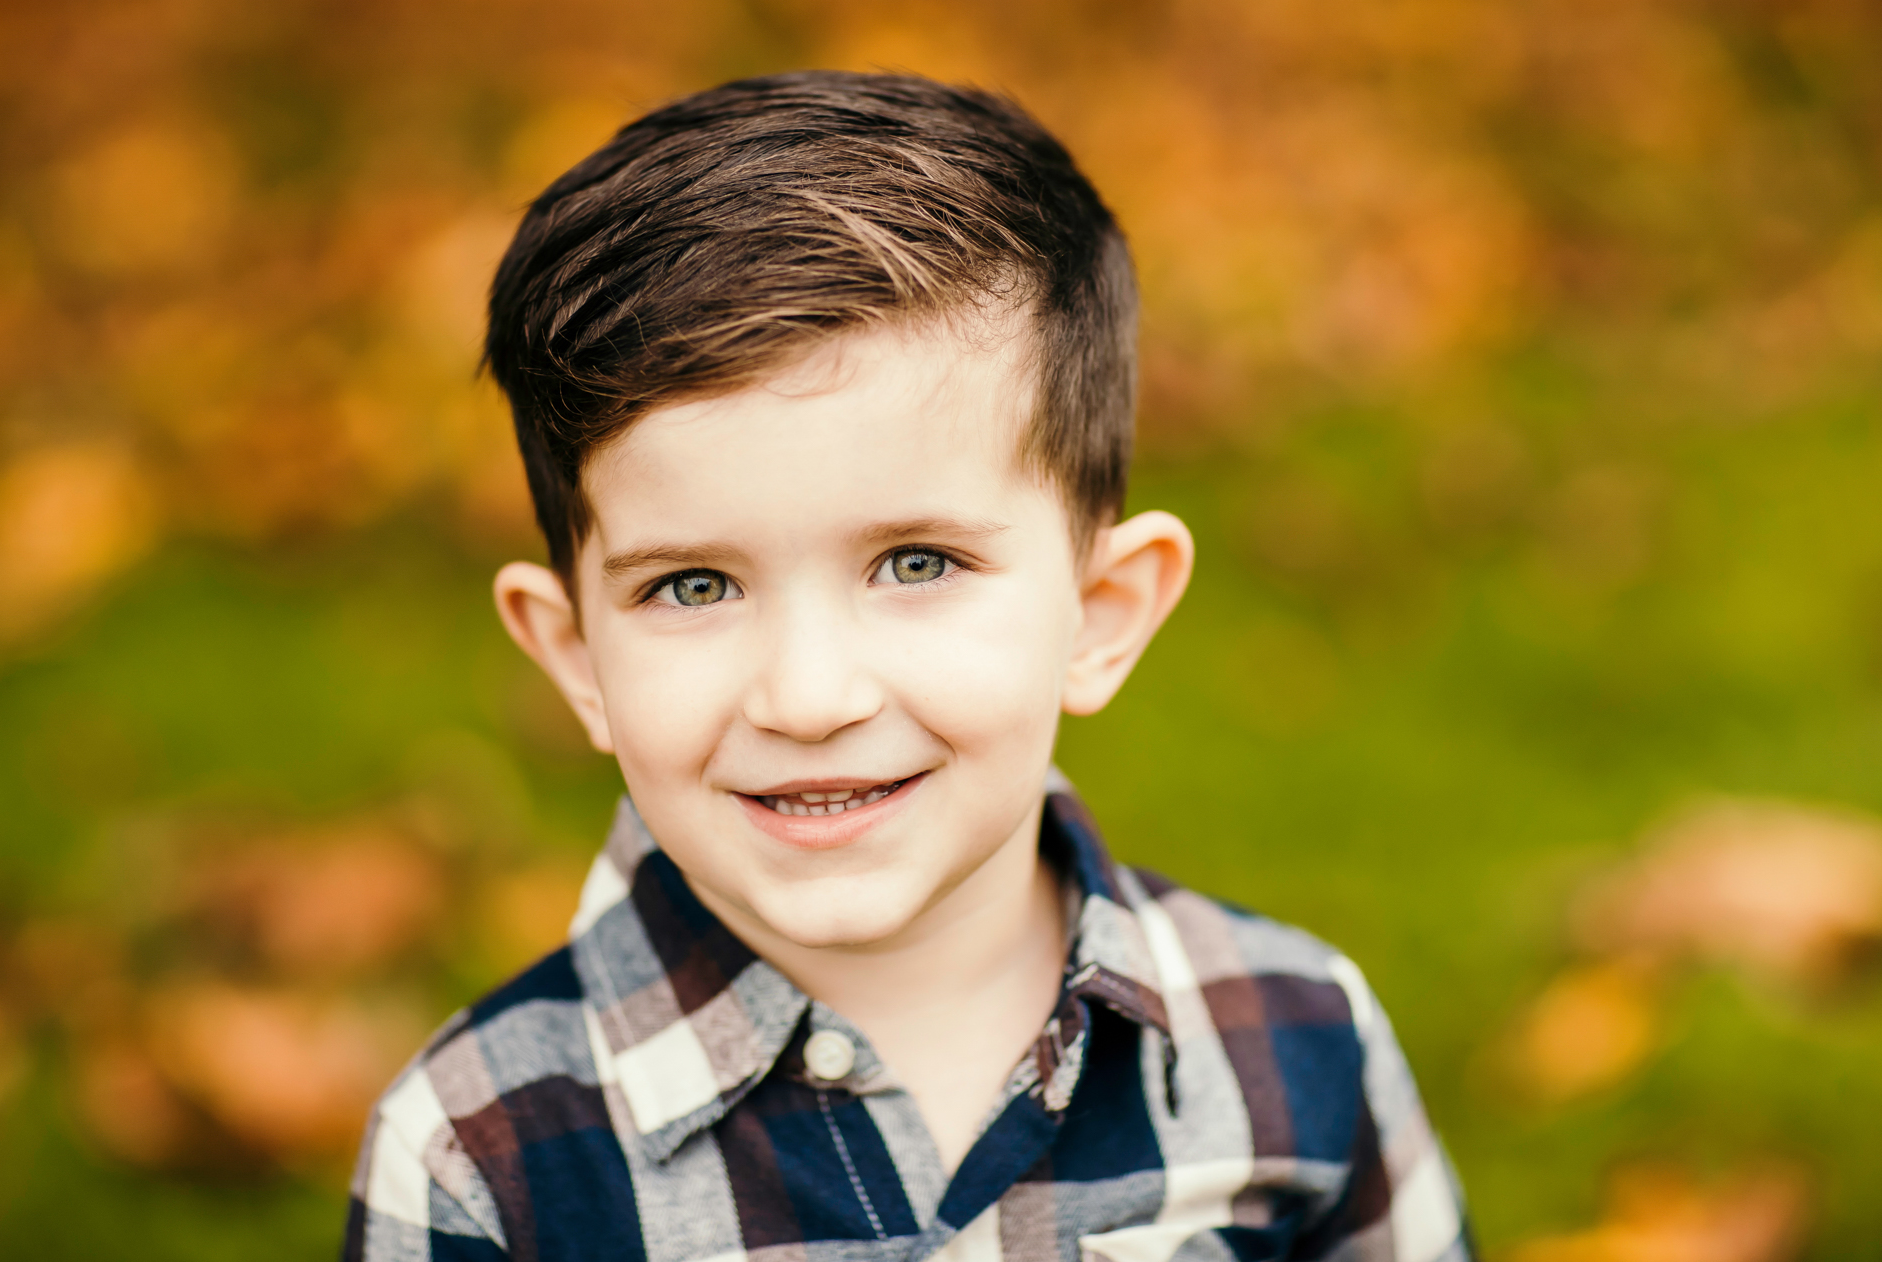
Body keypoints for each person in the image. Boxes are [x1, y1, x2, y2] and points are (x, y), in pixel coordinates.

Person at [344, 70, 1471, 1262]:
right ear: (575, 656)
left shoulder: (1293, 1041)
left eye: (917, 563)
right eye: (692, 586)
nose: (810, 698)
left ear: (1100, 611)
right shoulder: (480, 1158)